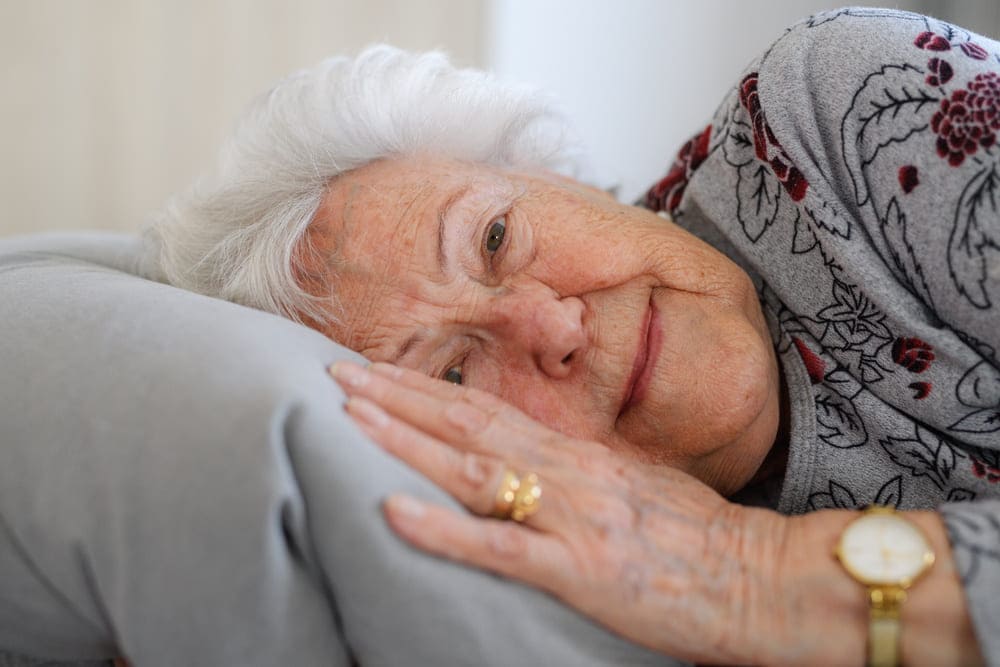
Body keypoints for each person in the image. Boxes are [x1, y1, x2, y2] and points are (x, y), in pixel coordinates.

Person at [146, 8, 1000, 666]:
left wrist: (753, 573)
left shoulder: (842, 122)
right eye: (452, 378)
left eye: (493, 238)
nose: (551, 328)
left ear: (554, 177)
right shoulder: (559, 585)